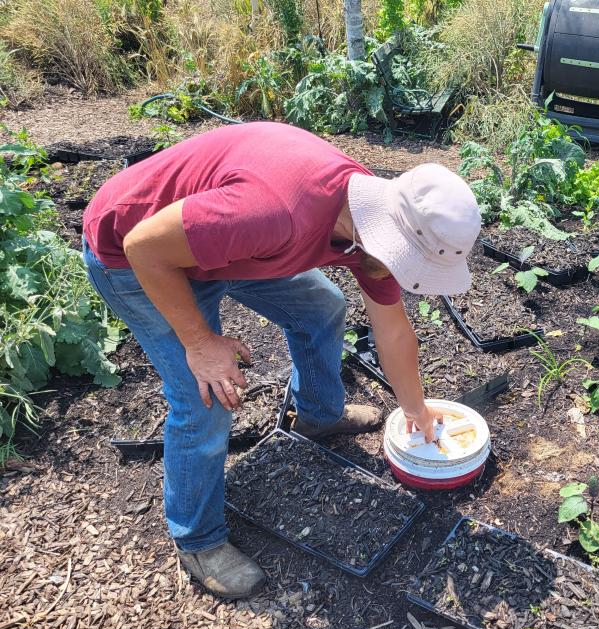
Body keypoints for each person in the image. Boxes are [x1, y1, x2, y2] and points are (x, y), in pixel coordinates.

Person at [82, 121, 481, 599]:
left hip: (220, 248)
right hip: (137, 257)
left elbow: (393, 328)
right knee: (204, 394)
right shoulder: (277, 213)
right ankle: (197, 540)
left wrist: (414, 406)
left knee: (322, 307)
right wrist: (202, 343)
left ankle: (318, 415)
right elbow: (144, 246)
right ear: (390, 234)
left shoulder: (364, 224)